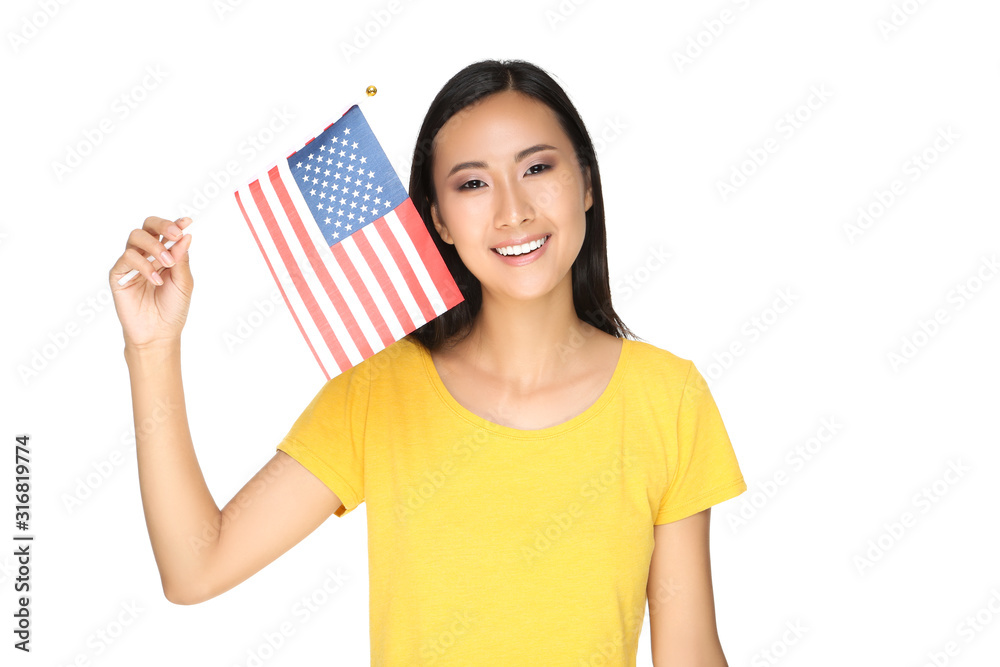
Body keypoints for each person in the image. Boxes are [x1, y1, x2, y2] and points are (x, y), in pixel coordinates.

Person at [109, 59, 748, 666]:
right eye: (472, 183)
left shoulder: (668, 397)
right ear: (438, 220)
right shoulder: (380, 390)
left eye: (537, 168)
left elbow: (688, 653)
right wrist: (152, 348)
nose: (513, 211)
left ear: (586, 183)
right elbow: (196, 568)